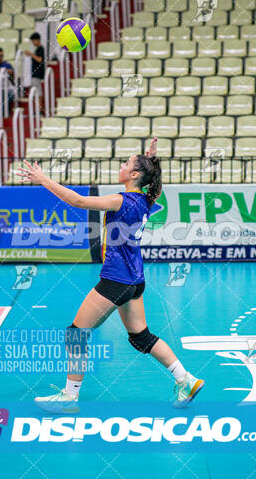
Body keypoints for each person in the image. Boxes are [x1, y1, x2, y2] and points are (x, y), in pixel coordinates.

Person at [17, 138, 205, 412]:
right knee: (141, 336)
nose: (122, 165)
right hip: (135, 281)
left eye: (126, 163)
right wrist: (154, 162)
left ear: (135, 175)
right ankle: (185, 379)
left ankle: (69, 398)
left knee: (76, 335)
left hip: (116, 279)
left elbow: (78, 200)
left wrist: (43, 179)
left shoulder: (122, 200)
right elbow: (155, 186)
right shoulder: (147, 200)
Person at [24, 32, 45, 111]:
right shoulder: (38, 49)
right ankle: (37, 109)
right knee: (35, 92)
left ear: (37, 40)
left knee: (38, 92)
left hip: (37, 74)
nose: (32, 43)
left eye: (33, 41)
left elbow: (40, 60)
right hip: (35, 74)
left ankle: (39, 109)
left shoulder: (41, 49)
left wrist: (31, 54)